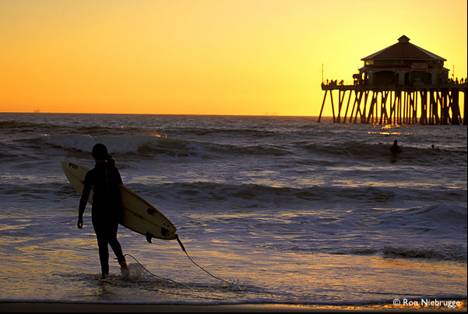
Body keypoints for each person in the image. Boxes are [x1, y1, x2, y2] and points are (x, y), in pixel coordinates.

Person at [78, 143, 128, 279]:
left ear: (93, 156)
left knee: (102, 243)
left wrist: (80, 216)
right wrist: (122, 212)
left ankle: (105, 275)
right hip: (114, 209)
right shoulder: (114, 171)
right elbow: (122, 192)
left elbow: (84, 197)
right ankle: (122, 262)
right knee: (112, 237)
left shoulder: (91, 174)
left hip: (99, 211)